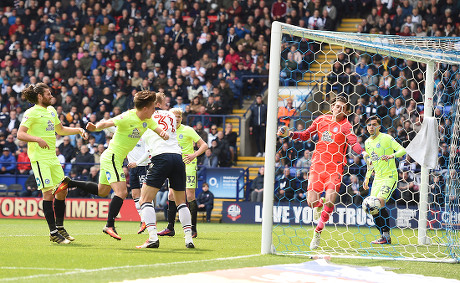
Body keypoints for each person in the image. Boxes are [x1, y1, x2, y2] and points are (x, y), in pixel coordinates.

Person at [58, 90, 168, 240]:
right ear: (145, 108)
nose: (155, 110)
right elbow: (107, 123)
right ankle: (109, 225)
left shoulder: (148, 120)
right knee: (122, 192)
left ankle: (69, 182)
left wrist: (165, 134)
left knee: (102, 191)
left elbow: (160, 130)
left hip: (112, 157)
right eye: (153, 107)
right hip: (112, 157)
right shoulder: (128, 116)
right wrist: (95, 127)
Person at [277, 96, 363, 249]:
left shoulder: (346, 125)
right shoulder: (321, 120)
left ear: (346, 111)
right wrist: (289, 134)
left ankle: (317, 232)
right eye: (337, 106)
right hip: (317, 166)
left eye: (343, 108)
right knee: (311, 202)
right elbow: (304, 135)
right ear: (332, 107)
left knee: (330, 200)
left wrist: (364, 153)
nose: (339, 109)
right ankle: (319, 204)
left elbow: (353, 143)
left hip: (335, 168)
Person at [17, 83, 88, 244]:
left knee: (63, 190)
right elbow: (20, 134)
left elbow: (61, 130)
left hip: (52, 158)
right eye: (48, 94)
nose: (51, 96)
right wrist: (37, 139)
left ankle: (60, 227)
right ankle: (53, 232)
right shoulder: (31, 112)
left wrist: (78, 129)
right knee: (48, 193)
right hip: (40, 158)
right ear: (40, 96)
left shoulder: (51, 110)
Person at [137, 92, 195, 249]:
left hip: (160, 158)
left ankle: (153, 238)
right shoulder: (170, 115)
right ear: (162, 103)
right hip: (177, 158)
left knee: (145, 200)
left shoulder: (146, 117)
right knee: (181, 202)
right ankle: (189, 239)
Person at [158, 107, 208, 238]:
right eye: (174, 116)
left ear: (181, 118)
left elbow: (204, 145)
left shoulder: (188, 130)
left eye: (179, 116)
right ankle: (170, 227)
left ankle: (193, 229)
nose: (177, 118)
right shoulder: (167, 131)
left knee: (190, 195)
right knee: (171, 195)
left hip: (189, 165)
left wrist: (194, 155)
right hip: (175, 166)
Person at [363, 115, 406, 244]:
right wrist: (367, 178)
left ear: (379, 126)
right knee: (372, 206)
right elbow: (370, 162)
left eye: (374, 124)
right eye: (369, 124)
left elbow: (402, 150)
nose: (371, 127)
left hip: (389, 176)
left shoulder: (386, 138)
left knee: (380, 201)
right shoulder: (367, 143)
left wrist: (392, 155)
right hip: (377, 179)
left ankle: (387, 236)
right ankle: (383, 236)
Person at [126, 132, 151, 234]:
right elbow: (113, 128)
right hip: (132, 168)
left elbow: (148, 152)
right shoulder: (127, 134)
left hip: (143, 167)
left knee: (145, 194)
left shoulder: (145, 135)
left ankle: (149, 220)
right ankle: (143, 220)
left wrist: (137, 162)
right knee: (135, 195)